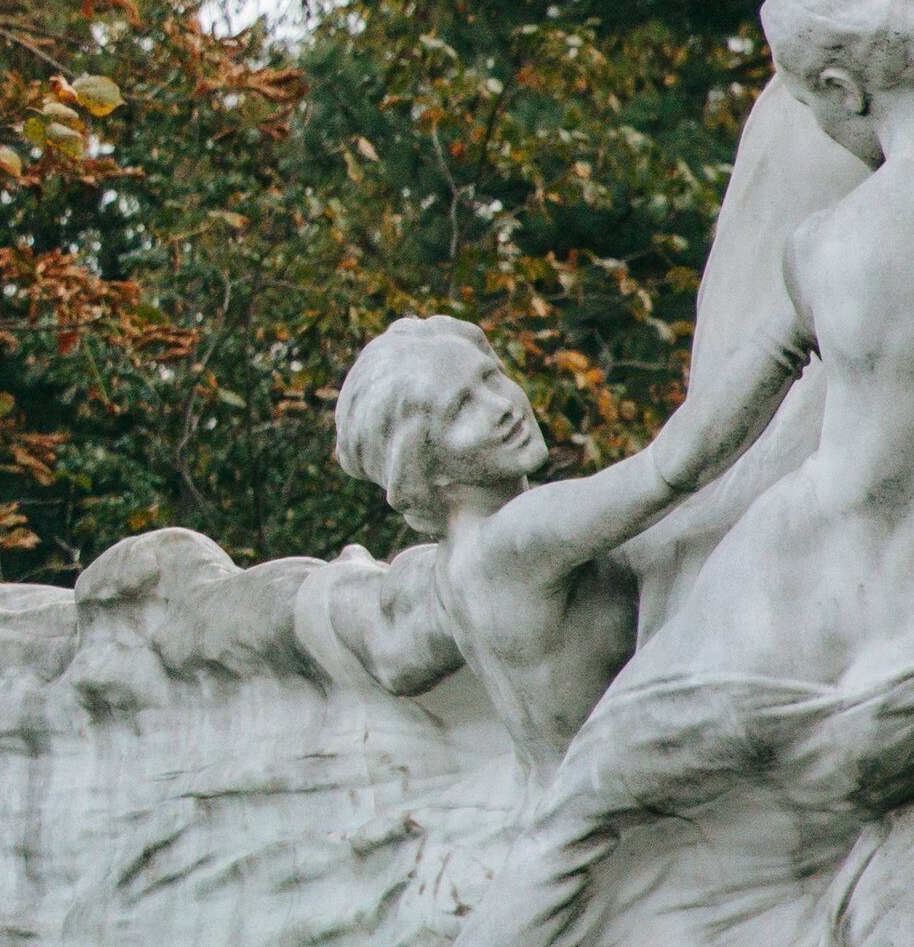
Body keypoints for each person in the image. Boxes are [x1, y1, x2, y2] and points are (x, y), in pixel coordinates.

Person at [452, 0, 914, 946]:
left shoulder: (820, 248)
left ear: (842, 90)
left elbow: (704, 453)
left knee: (570, 841)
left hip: (778, 612)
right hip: (902, 636)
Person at [304, 315, 807, 789]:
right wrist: (787, 335)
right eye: (462, 409)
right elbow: (672, 468)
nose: (501, 406)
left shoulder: (453, 562)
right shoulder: (515, 539)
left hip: (557, 792)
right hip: (617, 802)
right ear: (427, 468)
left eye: (491, 377)